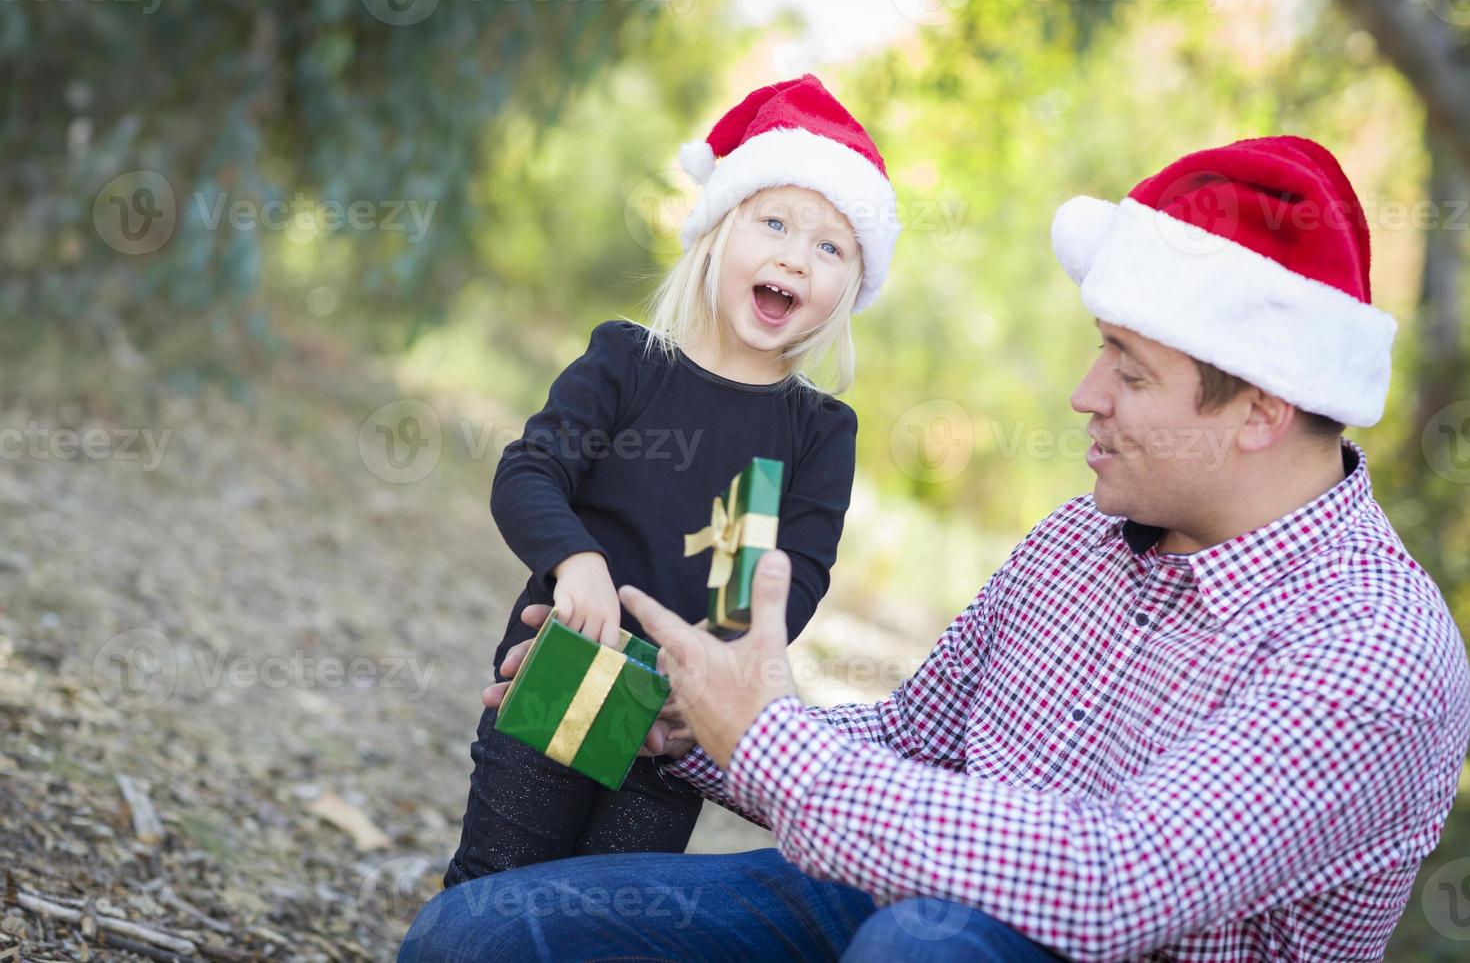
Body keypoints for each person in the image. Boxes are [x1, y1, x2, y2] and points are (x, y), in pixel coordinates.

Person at [408, 137, 1470, 960]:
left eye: (1130, 372)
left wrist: (771, 743)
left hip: (1020, 938)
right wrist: (687, 723)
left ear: (1261, 411)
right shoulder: (1082, 539)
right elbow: (913, 741)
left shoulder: (1374, 645)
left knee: (922, 945)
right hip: (902, 899)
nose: (1084, 396)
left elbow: (1121, 878)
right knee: (486, 935)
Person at [441, 74, 902, 887]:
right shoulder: (627, 363)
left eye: (831, 246)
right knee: (498, 884)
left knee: (607, 915)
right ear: (718, 232)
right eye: (775, 222)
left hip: (672, 715)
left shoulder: (819, 433)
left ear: (847, 290)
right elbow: (530, 471)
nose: (796, 254)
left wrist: (722, 672)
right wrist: (575, 560)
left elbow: (796, 577)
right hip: (567, 661)